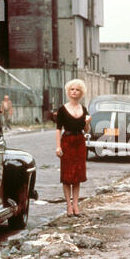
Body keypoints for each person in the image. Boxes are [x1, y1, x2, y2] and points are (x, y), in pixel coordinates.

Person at [55, 79, 92, 217]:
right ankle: (68, 206)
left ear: (81, 92)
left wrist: (87, 123)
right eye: (72, 89)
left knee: (77, 175)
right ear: (68, 91)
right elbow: (58, 129)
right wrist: (58, 146)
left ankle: (76, 205)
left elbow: (86, 130)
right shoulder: (62, 110)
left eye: (77, 89)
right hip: (67, 142)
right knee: (67, 176)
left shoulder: (84, 109)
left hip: (80, 142)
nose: (74, 92)